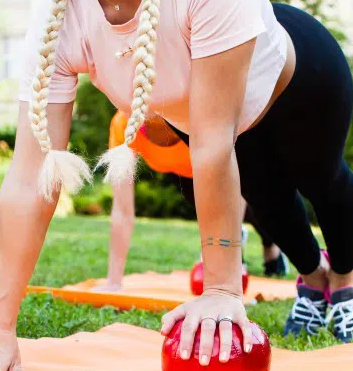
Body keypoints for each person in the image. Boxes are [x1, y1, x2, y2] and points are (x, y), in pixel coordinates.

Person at [0, 0, 353, 371]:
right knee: (268, 201)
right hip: (217, 120)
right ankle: (312, 278)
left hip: (301, 80)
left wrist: (221, 290)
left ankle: (346, 280)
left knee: (321, 180)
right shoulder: (58, 12)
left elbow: (212, 146)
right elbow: (31, 176)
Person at [101, 109, 288, 290]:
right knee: (210, 219)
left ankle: (270, 246)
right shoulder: (122, 124)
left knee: (258, 212)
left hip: (227, 168)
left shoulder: (196, 112)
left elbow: (233, 178)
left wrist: (222, 250)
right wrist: (113, 282)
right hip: (184, 172)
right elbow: (122, 211)